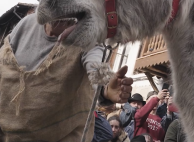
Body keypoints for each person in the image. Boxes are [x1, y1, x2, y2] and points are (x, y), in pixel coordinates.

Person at [0, 9, 133, 141]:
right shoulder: (27, 24)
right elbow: (4, 63)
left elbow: (96, 66)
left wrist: (106, 86)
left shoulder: (87, 36)